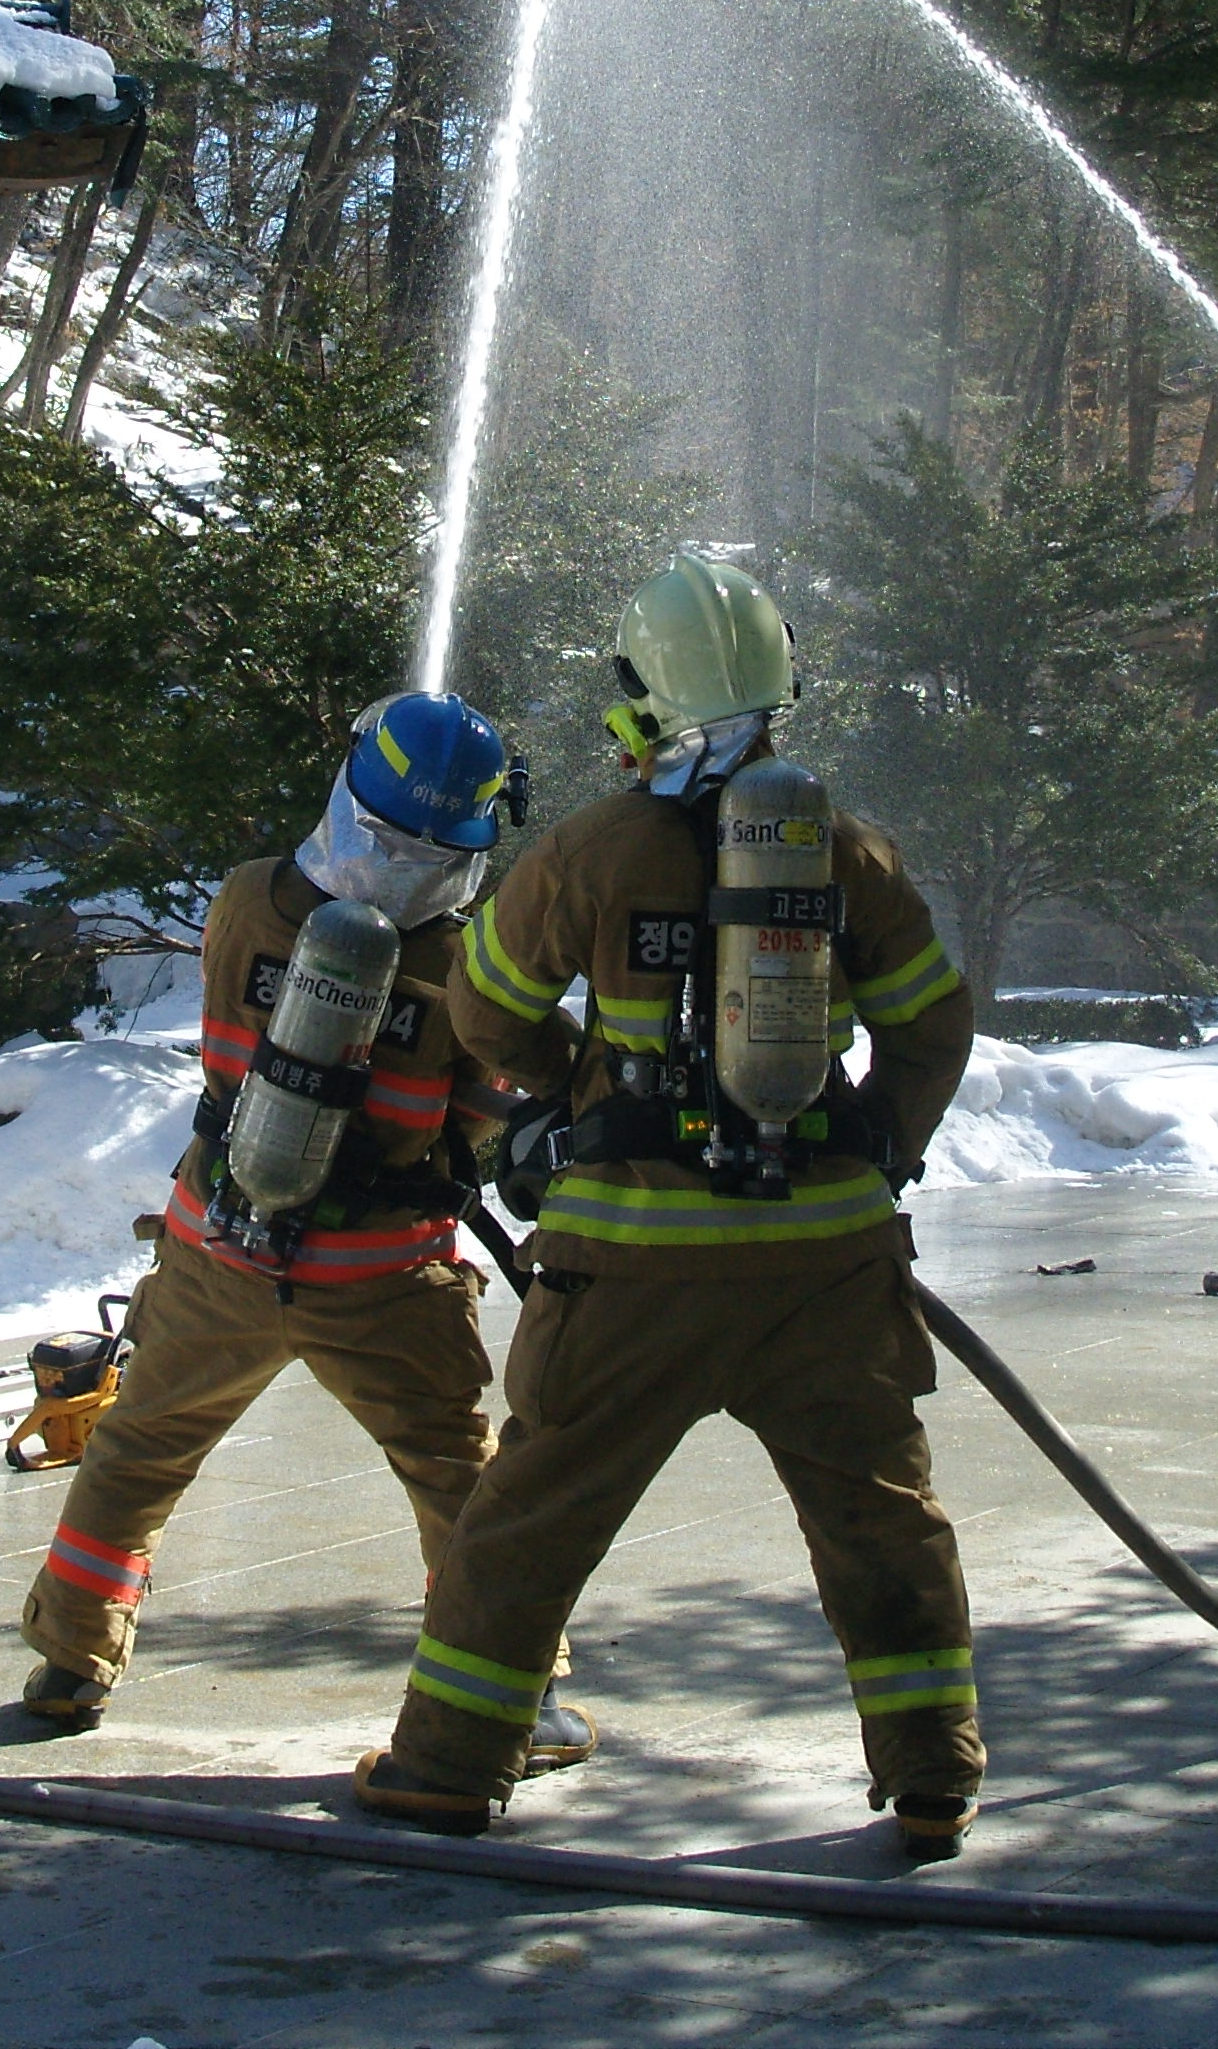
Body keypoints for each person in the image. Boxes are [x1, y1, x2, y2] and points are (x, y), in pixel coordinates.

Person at [351, 555, 984, 1861]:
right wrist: (878, 1145)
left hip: (633, 1264)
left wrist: (578, 1092)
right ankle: (933, 1771)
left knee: (534, 1514)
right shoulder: (848, 851)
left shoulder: (593, 847)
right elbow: (934, 1022)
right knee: (882, 1517)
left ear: (645, 697)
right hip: (827, 1268)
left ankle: (448, 1768)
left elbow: (483, 1009)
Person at [13, 692, 592, 1771]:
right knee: (455, 1474)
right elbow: (491, 1108)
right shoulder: (468, 966)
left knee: (139, 1449)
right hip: (382, 1278)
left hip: (218, 1251)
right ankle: (522, 1692)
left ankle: (70, 1659)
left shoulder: (245, 900)